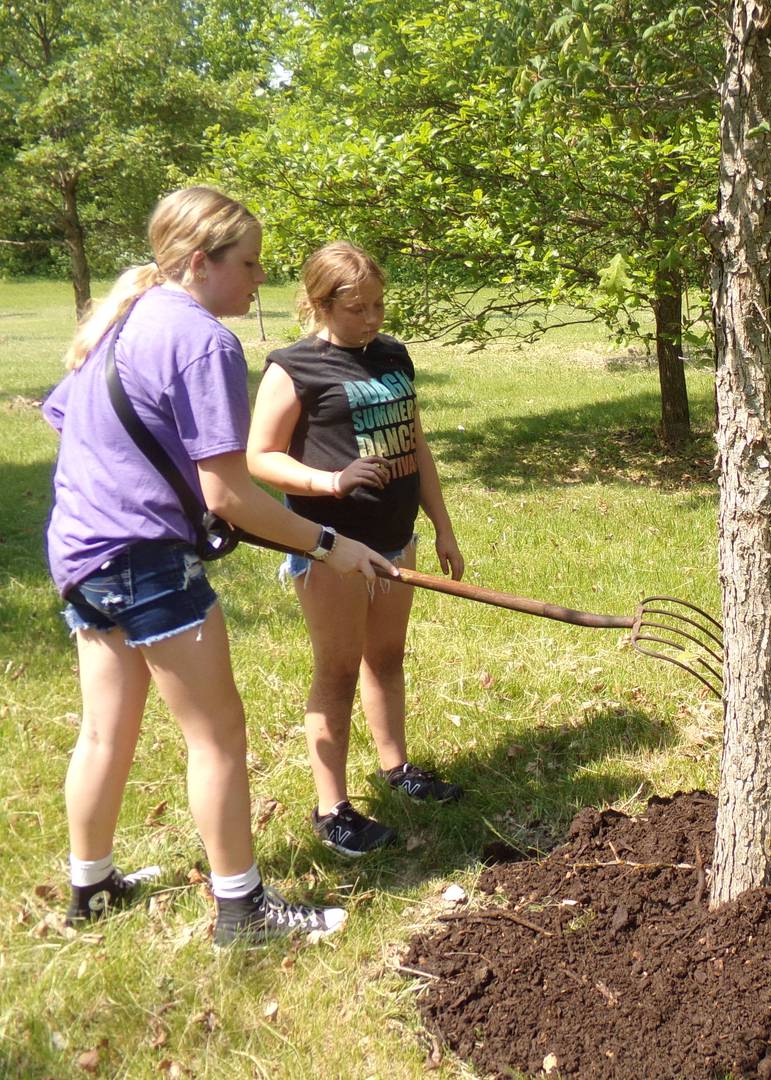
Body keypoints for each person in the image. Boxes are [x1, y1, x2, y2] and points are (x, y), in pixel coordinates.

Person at [44, 186, 397, 946]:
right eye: (248, 264)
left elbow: (68, 418)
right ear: (201, 263)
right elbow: (231, 493)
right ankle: (244, 911)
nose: (258, 280)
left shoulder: (127, 316)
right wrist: (331, 546)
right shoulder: (202, 338)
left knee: (104, 733)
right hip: (144, 557)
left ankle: (91, 886)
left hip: (81, 552)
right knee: (218, 736)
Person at [247, 242, 465, 858]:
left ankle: (396, 769)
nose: (371, 319)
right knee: (338, 670)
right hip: (330, 546)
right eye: (356, 308)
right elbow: (259, 457)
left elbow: (414, 446)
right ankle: (332, 808)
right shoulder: (294, 367)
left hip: (396, 538)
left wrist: (441, 525)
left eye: (377, 305)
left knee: (388, 656)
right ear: (320, 304)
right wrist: (330, 482)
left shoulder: (392, 354)